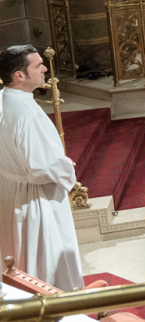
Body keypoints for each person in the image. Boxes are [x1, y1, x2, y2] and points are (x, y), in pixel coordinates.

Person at [0, 45, 83, 292]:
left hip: (9, 191)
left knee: (18, 255)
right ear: (19, 75)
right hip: (35, 199)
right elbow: (42, 167)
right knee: (44, 263)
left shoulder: (4, 99)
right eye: (38, 65)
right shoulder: (27, 114)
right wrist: (65, 166)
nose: (45, 68)